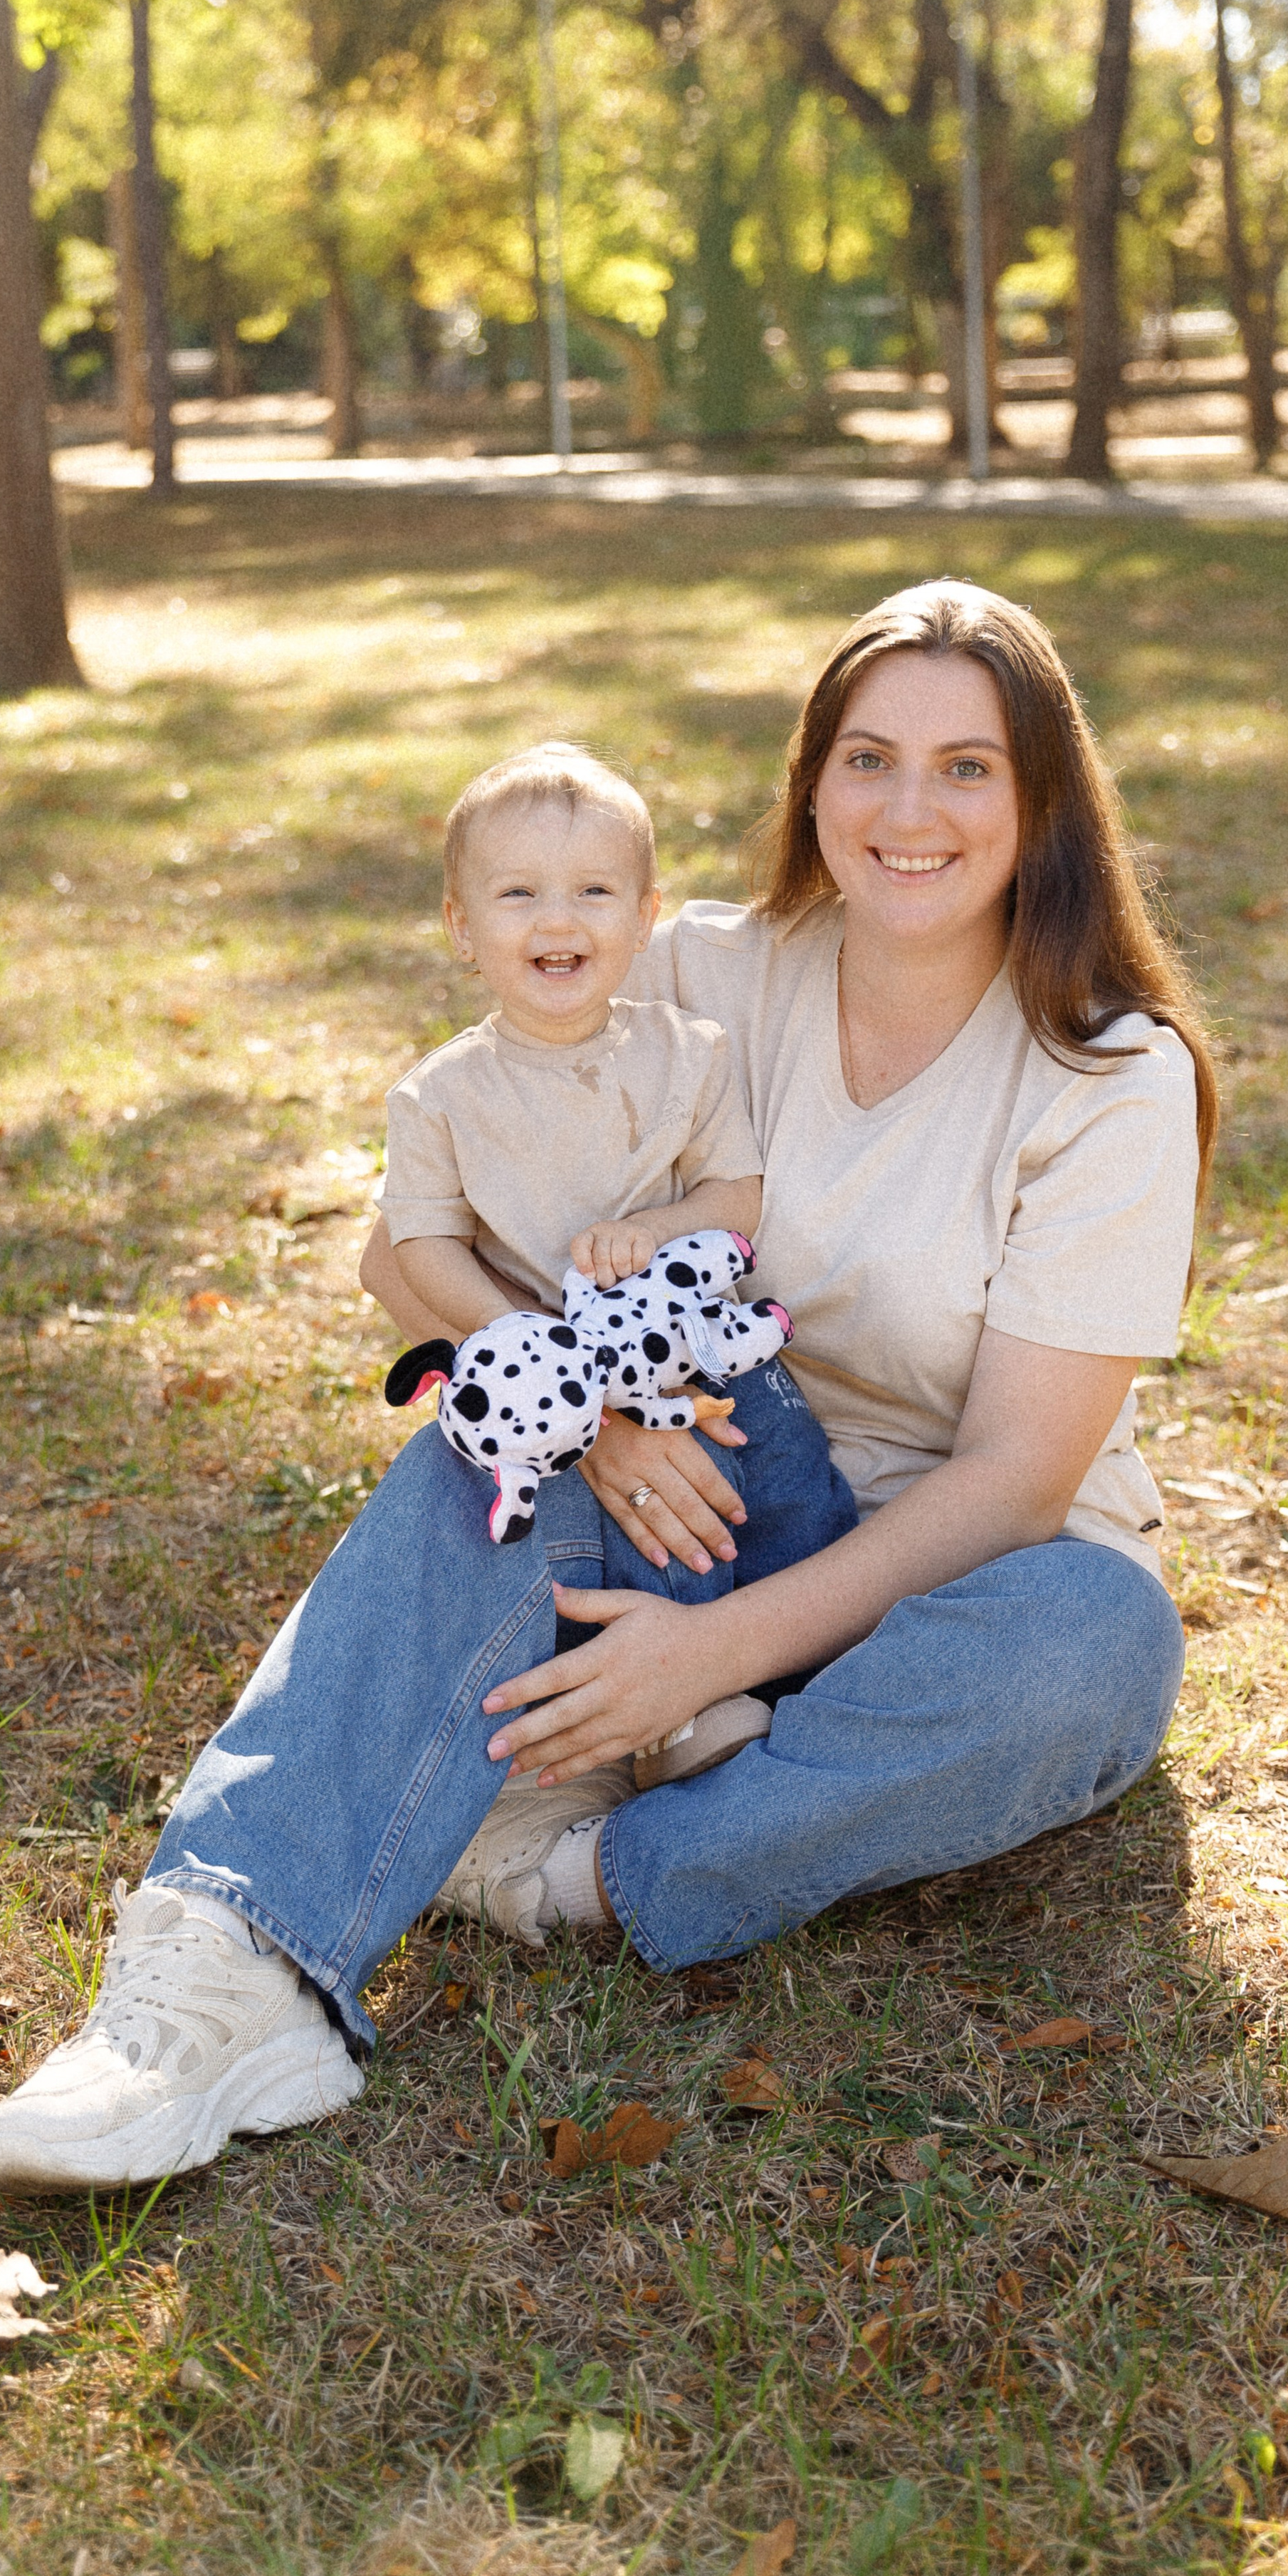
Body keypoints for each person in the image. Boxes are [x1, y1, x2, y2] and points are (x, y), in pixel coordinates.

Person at [0, 578, 1215, 2200]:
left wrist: (715, 1649)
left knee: (1092, 1644)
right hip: (666, 1495)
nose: (907, 809)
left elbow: (1016, 1483)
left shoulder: (1109, 1075)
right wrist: (599, 1417)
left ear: (1041, 798)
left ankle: (576, 1872)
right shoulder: (701, 971)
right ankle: (222, 1964)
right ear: (810, 781)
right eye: (866, 758)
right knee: (502, 1430)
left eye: (965, 766)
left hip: (950, 1590)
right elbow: (395, 1250)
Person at [377, 739, 854, 1807]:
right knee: (660, 1522)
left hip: (700, 1346)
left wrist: (661, 1225)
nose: (560, 920)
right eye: (518, 894)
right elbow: (419, 1248)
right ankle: (687, 1716)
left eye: (595, 891)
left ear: (645, 919)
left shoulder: (688, 1052)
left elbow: (740, 1197)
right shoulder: (441, 1096)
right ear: (462, 925)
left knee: (784, 1481)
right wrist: (526, 1348)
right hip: (565, 1390)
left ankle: (825, 1672)